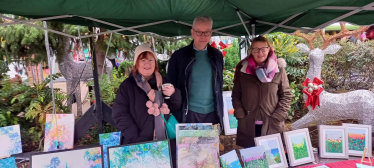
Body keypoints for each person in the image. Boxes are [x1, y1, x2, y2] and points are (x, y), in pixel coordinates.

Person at [112, 43, 181, 167]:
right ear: (136, 64)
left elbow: (175, 106)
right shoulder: (127, 86)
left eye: (150, 59)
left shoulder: (163, 82)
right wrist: (137, 139)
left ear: (155, 62)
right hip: (138, 144)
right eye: (142, 60)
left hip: (164, 143)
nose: (147, 64)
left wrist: (174, 93)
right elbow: (119, 114)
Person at [232, 36, 292, 148]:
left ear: (269, 49)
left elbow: (286, 94)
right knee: (253, 156)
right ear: (251, 51)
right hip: (248, 120)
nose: (260, 53)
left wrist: (279, 114)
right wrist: (239, 112)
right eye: (256, 49)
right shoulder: (242, 69)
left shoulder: (278, 69)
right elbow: (236, 94)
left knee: (272, 156)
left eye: (263, 49)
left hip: (271, 120)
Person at [167, 16, 224, 126]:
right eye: (198, 32)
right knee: (188, 144)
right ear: (192, 33)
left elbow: (219, 85)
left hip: (212, 114)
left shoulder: (217, 56)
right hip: (188, 114)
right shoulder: (178, 57)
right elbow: (171, 86)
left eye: (206, 32)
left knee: (210, 144)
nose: (203, 36)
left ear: (211, 33)